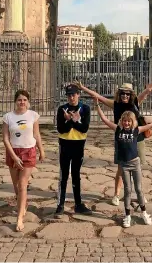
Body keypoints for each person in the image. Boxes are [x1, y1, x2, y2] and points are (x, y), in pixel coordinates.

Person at [73, 65, 152, 206]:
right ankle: (116, 194)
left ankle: (138, 194)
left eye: (127, 94)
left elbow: (148, 90)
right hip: (121, 139)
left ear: (131, 95)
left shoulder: (136, 102)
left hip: (137, 138)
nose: (125, 96)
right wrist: (82, 88)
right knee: (121, 169)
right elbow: (97, 96)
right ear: (119, 93)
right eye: (122, 93)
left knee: (137, 167)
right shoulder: (115, 104)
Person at [94, 99, 152, 228]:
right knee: (127, 190)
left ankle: (144, 212)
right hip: (124, 165)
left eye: (129, 121)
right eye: (124, 120)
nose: (126, 123)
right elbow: (104, 119)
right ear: (121, 121)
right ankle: (127, 216)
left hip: (135, 163)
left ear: (132, 122)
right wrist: (97, 105)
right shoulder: (118, 129)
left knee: (138, 189)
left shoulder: (136, 130)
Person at [2, 89, 45, 232]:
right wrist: (14, 156)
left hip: (29, 150)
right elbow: (5, 138)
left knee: (22, 184)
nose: (22, 102)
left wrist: (41, 150)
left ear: (28, 102)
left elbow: (36, 134)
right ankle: (22, 203)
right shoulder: (8, 117)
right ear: (15, 101)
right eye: (19, 100)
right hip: (13, 151)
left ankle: (19, 218)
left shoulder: (33, 115)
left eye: (24, 100)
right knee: (16, 185)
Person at [55, 83, 92, 217]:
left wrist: (74, 122)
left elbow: (84, 128)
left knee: (76, 175)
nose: (71, 97)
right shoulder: (62, 109)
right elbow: (61, 129)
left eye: (74, 94)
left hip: (78, 144)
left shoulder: (85, 109)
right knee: (63, 176)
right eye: (69, 95)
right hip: (64, 144)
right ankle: (60, 204)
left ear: (78, 95)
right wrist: (72, 120)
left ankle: (78, 204)